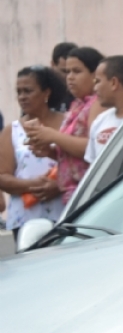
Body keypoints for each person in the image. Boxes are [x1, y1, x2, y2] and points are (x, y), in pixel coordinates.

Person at [23, 46, 105, 204]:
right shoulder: (76, 105)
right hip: (71, 194)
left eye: (77, 71)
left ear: (95, 74)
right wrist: (50, 151)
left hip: (90, 193)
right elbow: (72, 153)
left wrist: (52, 136)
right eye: (67, 72)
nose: (70, 77)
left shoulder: (99, 103)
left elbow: (93, 148)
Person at [0, 66, 70, 233]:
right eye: (19, 92)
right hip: (25, 221)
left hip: (65, 216)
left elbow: (81, 164)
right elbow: (2, 176)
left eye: (28, 91)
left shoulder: (68, 123)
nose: (22, 97)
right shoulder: (12, 130)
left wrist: (58, 184)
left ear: (46, 93)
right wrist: (32, 185)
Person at [85, 56, 123, 164]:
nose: (95, 88)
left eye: (97, 81)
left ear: (114, 83)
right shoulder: (100, 122)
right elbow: (93, 166)